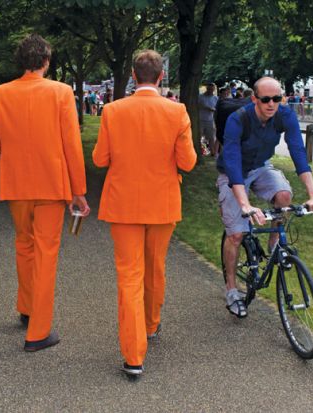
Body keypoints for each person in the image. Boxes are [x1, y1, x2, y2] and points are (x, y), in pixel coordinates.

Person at [0, 34, 90, 352]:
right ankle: (38, 331)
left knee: (24, 245)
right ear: (46, 61)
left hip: (17, 184)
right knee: (46, 253)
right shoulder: (60, 92)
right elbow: (71, 144)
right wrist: (79, 191)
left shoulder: (1, 93)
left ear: (20, 61)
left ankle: (27, 308)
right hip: (51, 184)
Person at [93, 49, 196, 378]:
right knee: (155, 266)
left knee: (129, 276)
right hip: (162, 203)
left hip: (123, 204)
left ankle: (133, 354)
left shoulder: (112, 111)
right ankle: (150, 324)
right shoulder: (177, 111)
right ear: (161, 76)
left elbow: (99, 159)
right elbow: (188, 163)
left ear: (135, 76)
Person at [217, 77, 313, 318]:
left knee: (284, 195)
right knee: (235, 234)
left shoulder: (285, 115)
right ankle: (232, 288)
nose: (271, 104)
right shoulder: (238, 119)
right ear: (254, 99)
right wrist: (245, 204)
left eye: (277, 98)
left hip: (261, 167)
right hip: (233, 172)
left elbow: (297, 151)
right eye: (265, 99)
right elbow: (232, 162)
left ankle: (275, 243)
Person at [198, 82, 219, 156]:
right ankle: (200, 151)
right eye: (209, 88)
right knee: (199, 136)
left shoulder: (216, 98)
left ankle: (212, 152)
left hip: (211, 120)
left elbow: (217, 109)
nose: (210, 90)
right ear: (207, 88)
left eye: (212, 89)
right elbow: (197, 106)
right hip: (200, 119)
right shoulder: (200, 97)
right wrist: (205, 107)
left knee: (211, 137)